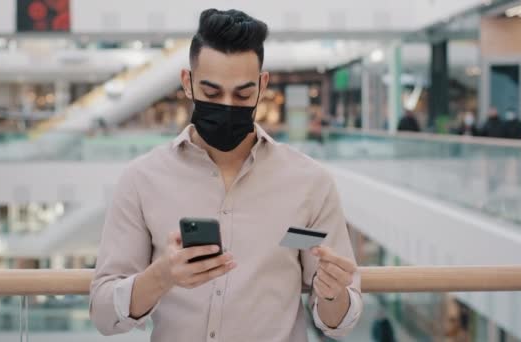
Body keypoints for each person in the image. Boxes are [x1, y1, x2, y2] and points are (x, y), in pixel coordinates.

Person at [90, 9, 362, 342]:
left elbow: (339, 322)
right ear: (187, 83)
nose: (228, 105)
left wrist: (334, 293)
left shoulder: (309, 183)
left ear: (262, 87)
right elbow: (103, 314)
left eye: (243, 95)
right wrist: (161, 276)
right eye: (213, 93)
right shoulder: (141, 180)